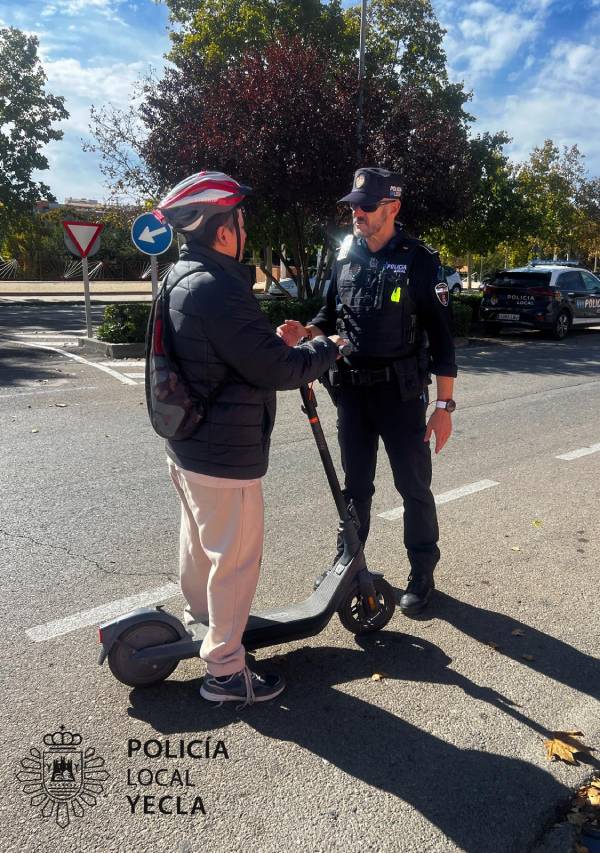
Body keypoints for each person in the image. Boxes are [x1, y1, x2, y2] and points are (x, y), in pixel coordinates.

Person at [155, 171, 343, 705]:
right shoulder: (217, 286)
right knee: (234, 560)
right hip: (222, 452)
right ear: (222, 229)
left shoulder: (184, 275)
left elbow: (229, 352)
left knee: (201, 545)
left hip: (190, 444)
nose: (245, 229)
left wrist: (274, 341)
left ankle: (203, 621)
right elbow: (276, 370)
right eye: (240, 220)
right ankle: (224, 672)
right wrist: (327, 348)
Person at [277, 167, 457, 615]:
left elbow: (442, 337)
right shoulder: (344, 252)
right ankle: (349, 564)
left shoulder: (419, 259)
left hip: (400, 395)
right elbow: (331, 312)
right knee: (354, 487)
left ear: (392, 208)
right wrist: (308, 329)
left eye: (367, 205)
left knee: (413, 486)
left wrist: (444, 406)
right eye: (353, 204)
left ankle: (422, 571)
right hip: (352, 394)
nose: (356, 212)